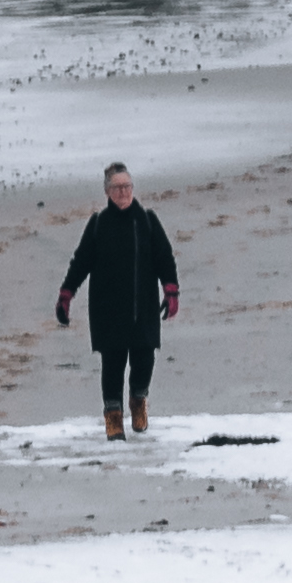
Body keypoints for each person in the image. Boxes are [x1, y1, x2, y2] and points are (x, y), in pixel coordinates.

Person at [57, 165, 182, 435]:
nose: (123, 192)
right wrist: (66, 294)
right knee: (112, 366)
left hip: (143, 308)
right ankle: (113, 415)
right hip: (108, 312)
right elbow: (81, 262)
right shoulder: (99, 224)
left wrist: (170, 290)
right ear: (107, 191)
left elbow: (164, 257)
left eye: (127, 186)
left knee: (144, 360)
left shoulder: (147, 221)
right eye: (117, 187)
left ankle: (138, 400)